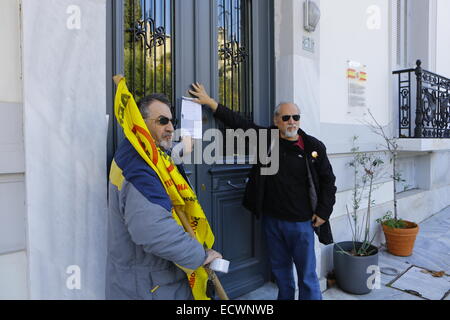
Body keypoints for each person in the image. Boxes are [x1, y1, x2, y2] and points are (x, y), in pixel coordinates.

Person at [189, 83, 337, 300]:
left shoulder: (313, 146)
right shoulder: (267, 138)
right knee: (282, 274)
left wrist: (323, 212)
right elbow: (238, 124)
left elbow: (328, 182)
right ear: (276, 121)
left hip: (302, 224)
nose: (291, 122)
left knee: (307, 276)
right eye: (286, 118)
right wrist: (211, 103)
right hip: (272, 222)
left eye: (295, 117)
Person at [106, 93, 221, 300]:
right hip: (148, 287)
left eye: (172, 121)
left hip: (152, 282)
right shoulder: (138, 166)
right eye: (162, 121)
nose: (170, 128)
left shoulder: (151, 155)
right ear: (140, 124)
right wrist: (200, 256)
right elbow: (152, 230)